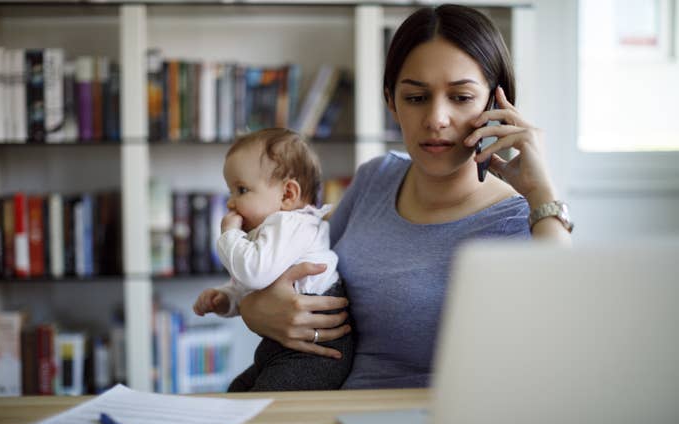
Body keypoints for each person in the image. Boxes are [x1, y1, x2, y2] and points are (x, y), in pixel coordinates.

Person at [235, 4, 573, 389]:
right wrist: (253, 308)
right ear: (391, 101)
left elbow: (562, 339)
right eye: (416, 98)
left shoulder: (523, 219)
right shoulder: (375, 178)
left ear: (496, 105)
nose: (436, 119)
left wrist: (542, 193)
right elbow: (294, 261)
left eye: (461, 97)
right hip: (329, 413)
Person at [192, 128, 353, 391]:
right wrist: (227, 298)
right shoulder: (272, 231)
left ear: (287, 195)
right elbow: (255, 286)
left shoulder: (291, 223)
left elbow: (254, 272)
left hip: (314, 353)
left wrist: (229, 234)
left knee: (264, 406)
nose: (231, 203)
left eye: (241, 190)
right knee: (237, 391)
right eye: (231, 191)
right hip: (282, 345)